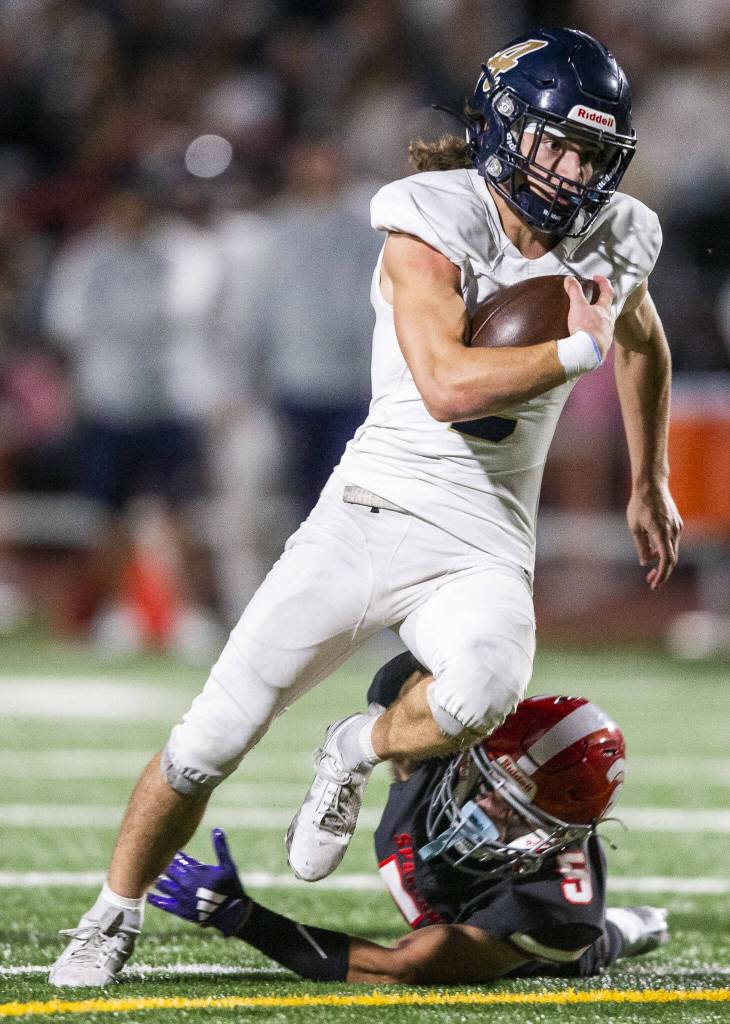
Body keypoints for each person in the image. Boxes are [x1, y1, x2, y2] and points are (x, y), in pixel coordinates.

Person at [49, 27, 682, 986]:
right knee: (209, 739)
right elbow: (448, 385)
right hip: (368, 513)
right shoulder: (429, 214)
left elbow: (642, 337)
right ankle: (112, 913)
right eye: (558, 144)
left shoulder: (620, 232)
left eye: (593, 153)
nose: (574, 172)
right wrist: (573, 351)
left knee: (484, 688)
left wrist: (649, 478)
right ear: (504, 131)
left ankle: (352, 749)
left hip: (484, 540)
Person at [144, 654, 668, 986]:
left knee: (590, 946)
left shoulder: (555, 908)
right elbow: (407, 669)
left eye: (519, 813)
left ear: (564, 835)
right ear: (474, 750)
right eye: (489, 785)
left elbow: (396, 967)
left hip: (515, 940)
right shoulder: (441, 741)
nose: (488, 810)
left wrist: (244, 919)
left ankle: (627, 928)